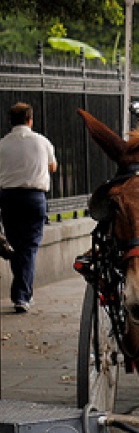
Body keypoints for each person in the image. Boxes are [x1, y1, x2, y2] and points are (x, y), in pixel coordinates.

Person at [0, 103, 57, 313]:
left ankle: (22, 292)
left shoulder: (2, 145)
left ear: (10, 121)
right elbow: (53, 166)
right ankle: (22, 296)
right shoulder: (42, 142)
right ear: (30, 120)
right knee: (30, 246)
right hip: (34, 198)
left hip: (8, 198)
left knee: (16, 245)